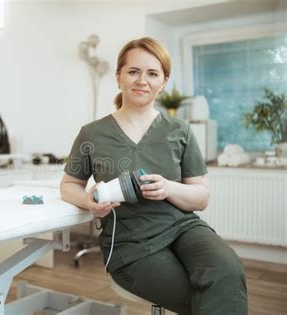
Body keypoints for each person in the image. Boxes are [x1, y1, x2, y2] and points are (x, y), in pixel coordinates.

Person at [60, 37, 247, 314]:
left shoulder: (179, 131)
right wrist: (88, 201)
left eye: (152, 73)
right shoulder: (92, 134)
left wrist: (169, 188)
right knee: (198, 295)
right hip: (130, 244)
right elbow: (68, 185)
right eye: (133, 71)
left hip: (183, 229)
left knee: (227, 271)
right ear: (119, 77)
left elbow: (201, 197)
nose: (141, 80)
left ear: (163, 81)